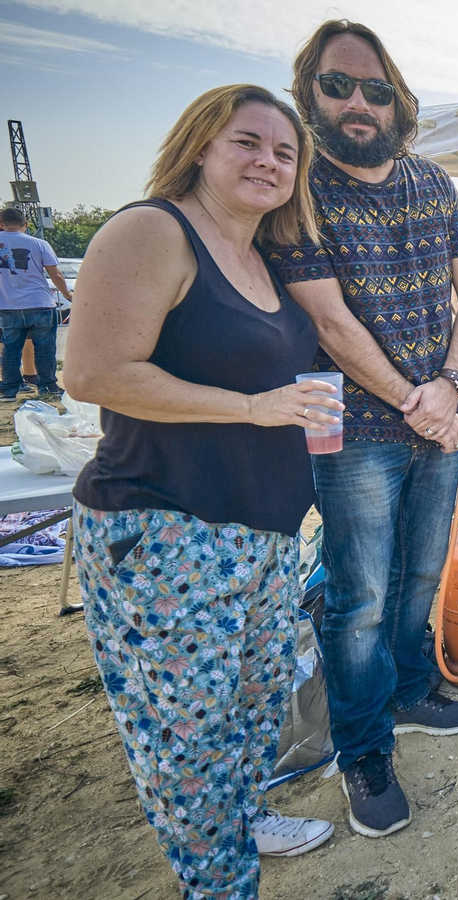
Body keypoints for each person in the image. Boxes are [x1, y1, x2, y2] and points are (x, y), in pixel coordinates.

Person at [65, 84, 341, 898]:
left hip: (262, 533)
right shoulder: (152, 230)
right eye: (246, 142)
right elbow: (93, 372)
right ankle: (219, 881)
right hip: (166, 530)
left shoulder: (263, 258)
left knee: (255, 706)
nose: (268, 161)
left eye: (285, 152)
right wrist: (252, 409)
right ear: (198, 148)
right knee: (186, 738)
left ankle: (244, 819)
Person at [266, 20, 458, 840]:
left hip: (440, 412)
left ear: (398, 98)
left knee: (422, 573)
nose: (358, 103)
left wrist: (453, 387)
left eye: (374, 88)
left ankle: (407, 688)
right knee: (357, 594)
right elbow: (327, 321)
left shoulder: (433, 182)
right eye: (338, 85)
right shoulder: (298, 189)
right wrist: (417, 399)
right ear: (309, 93)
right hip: (357, 430)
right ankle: (363, 751)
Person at [0, 206, 70, 400]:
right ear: (26, 224)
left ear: (1, 224)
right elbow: (55, 274)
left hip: (8, 306)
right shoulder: (40, 244)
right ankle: (48, 386)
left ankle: (9, 390)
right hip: (40, 303)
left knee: (11, 348)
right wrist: (67, 294)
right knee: (45, 347)